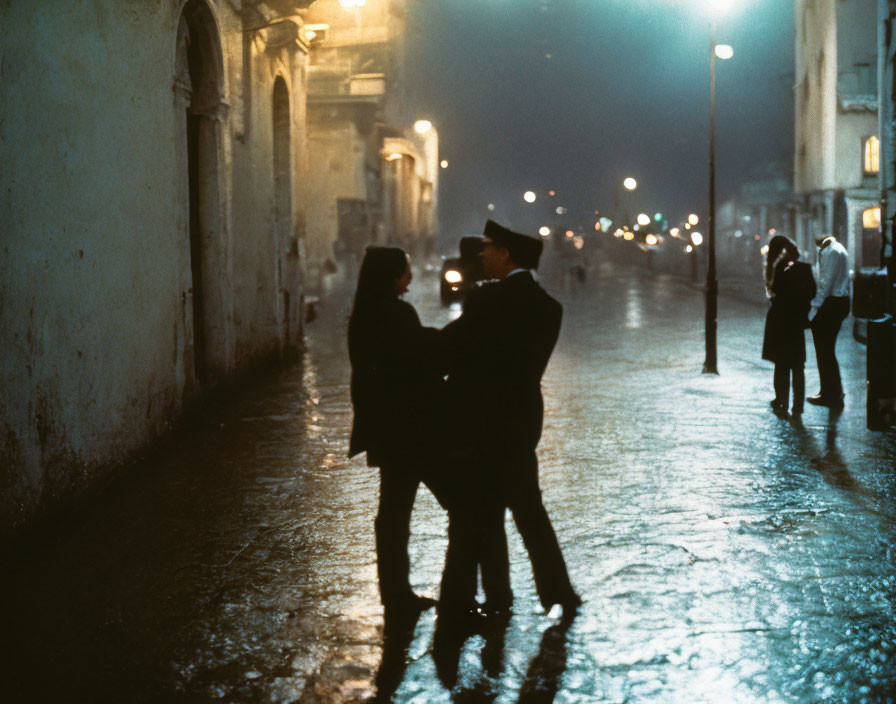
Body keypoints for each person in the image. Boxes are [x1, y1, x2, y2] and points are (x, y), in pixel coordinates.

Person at [437, 219, 580, 621]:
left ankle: (492, 598)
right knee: (530, 513)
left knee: (480, 515)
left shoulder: (486, 301)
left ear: (505, 254)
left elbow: (451, 351)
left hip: (479, 422)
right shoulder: (549, 308)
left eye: (487, 248)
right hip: (520, 422)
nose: (480, 255)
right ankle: (559, 593)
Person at [347, 246, 440, 622]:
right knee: (455, 503)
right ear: (391, 276)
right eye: (405, 271)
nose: (411, 277)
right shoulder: (398, 314)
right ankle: (407, 595)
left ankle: (395, 594)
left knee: (392, 512)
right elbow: (420, 360)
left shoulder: (363, 314)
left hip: (384, 427)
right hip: (409, 429)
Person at [761, 235, 816, 418]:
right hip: (796, 322)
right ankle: (798, 406)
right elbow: (812, 292)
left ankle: (782, 400)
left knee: (782, 364)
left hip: (779, 320)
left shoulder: (778, 270)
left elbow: (774, 291)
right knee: (798, 365)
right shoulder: (805, 269)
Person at [807, 235, 850, 409]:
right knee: (827, 350)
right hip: (837, 303)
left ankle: (829, 394)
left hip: (832, 303)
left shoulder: (831, 252)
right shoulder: (837, 249)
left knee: (824, 350)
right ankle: (832, 392)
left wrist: (814, 308)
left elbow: (826, 283)